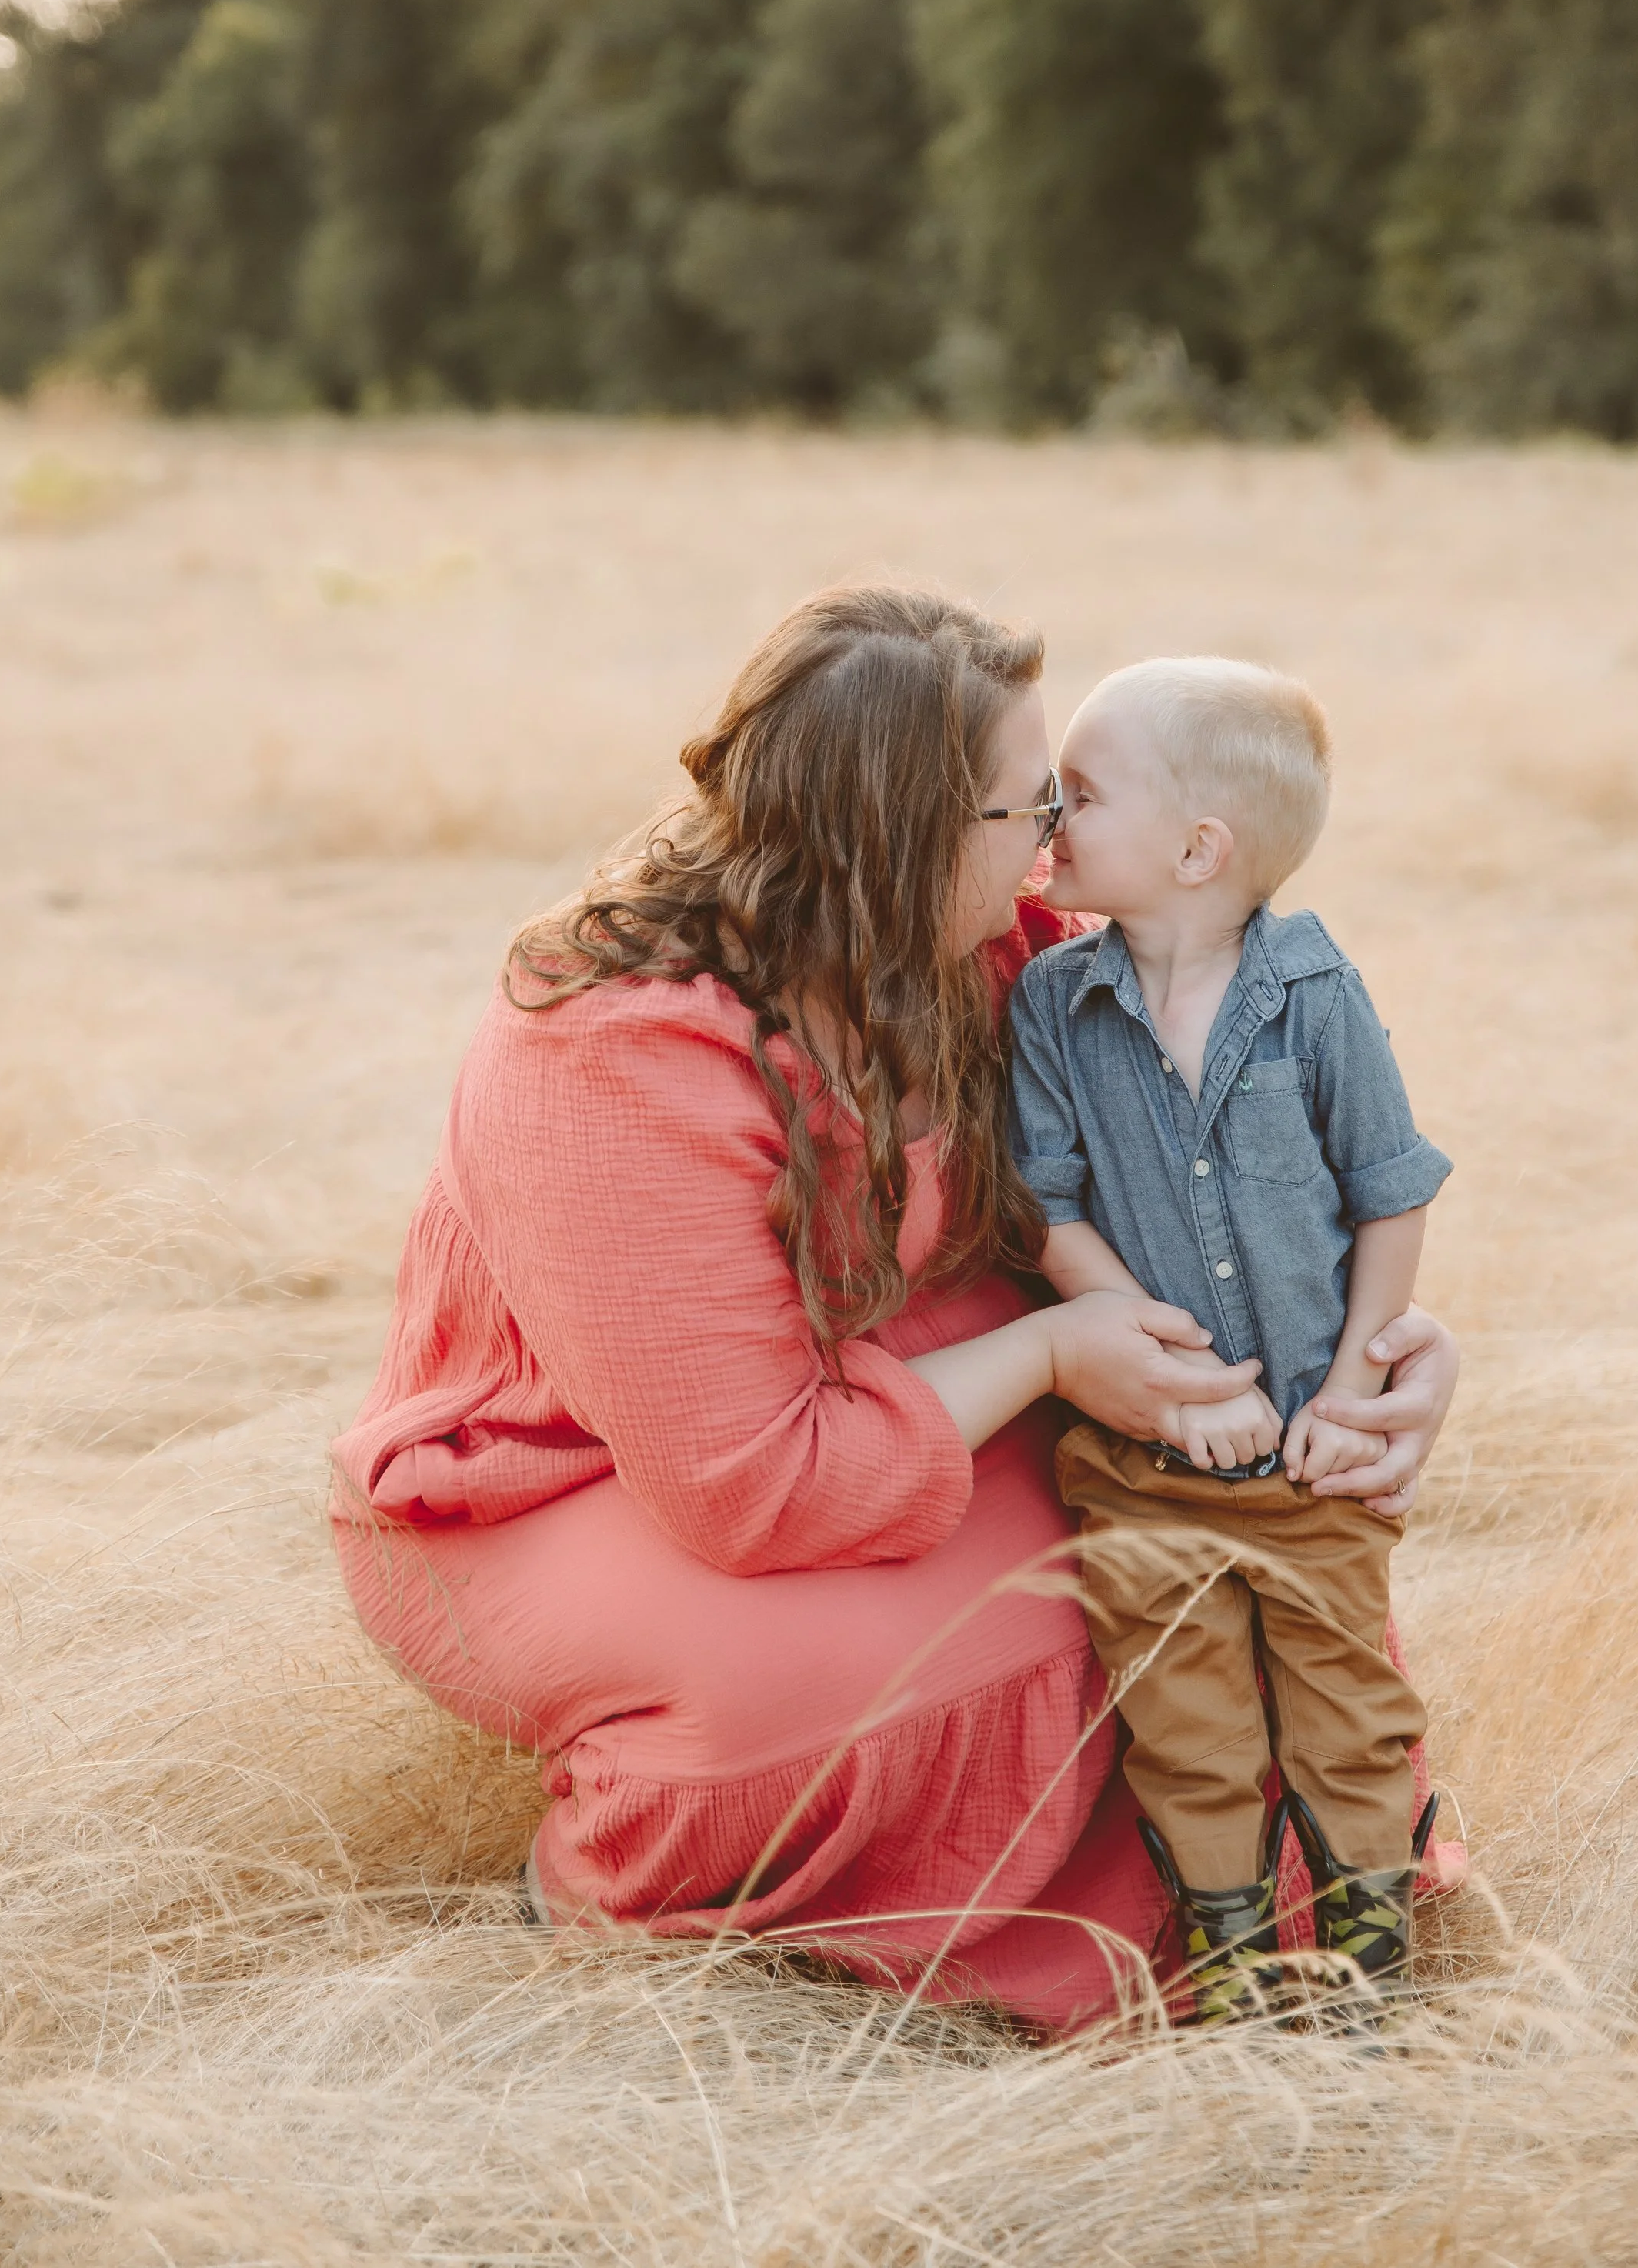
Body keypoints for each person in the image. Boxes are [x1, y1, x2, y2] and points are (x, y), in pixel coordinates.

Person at [331, 585, 1461, 2039]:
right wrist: (1056, 1349)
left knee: (1204, 1567)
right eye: (1024, 805)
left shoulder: (1012, 951)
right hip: (568, 1480)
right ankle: (614, 1903)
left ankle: (1253, 1927)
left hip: (901, 1386)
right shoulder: (609, 1051)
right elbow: (743, 1481)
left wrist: (1383, 1361)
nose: (1053, 836)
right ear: (903, 840)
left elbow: (1222, 1212)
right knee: (817, 1694)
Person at [1009, 656, 1453, 2026]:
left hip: (1314, 1465)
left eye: (1078, 794)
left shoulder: (1314, 998)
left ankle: (1365, 1975)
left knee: (1348, 1711)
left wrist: (1352, 1382)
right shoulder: (1052, 1004)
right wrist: (1173, 1374)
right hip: (1147, 1461)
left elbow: (1391, 1191)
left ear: (1201, 850)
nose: (1046, 817)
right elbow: (1046, 1210)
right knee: (1189, 1726)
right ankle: (1238, 1966)